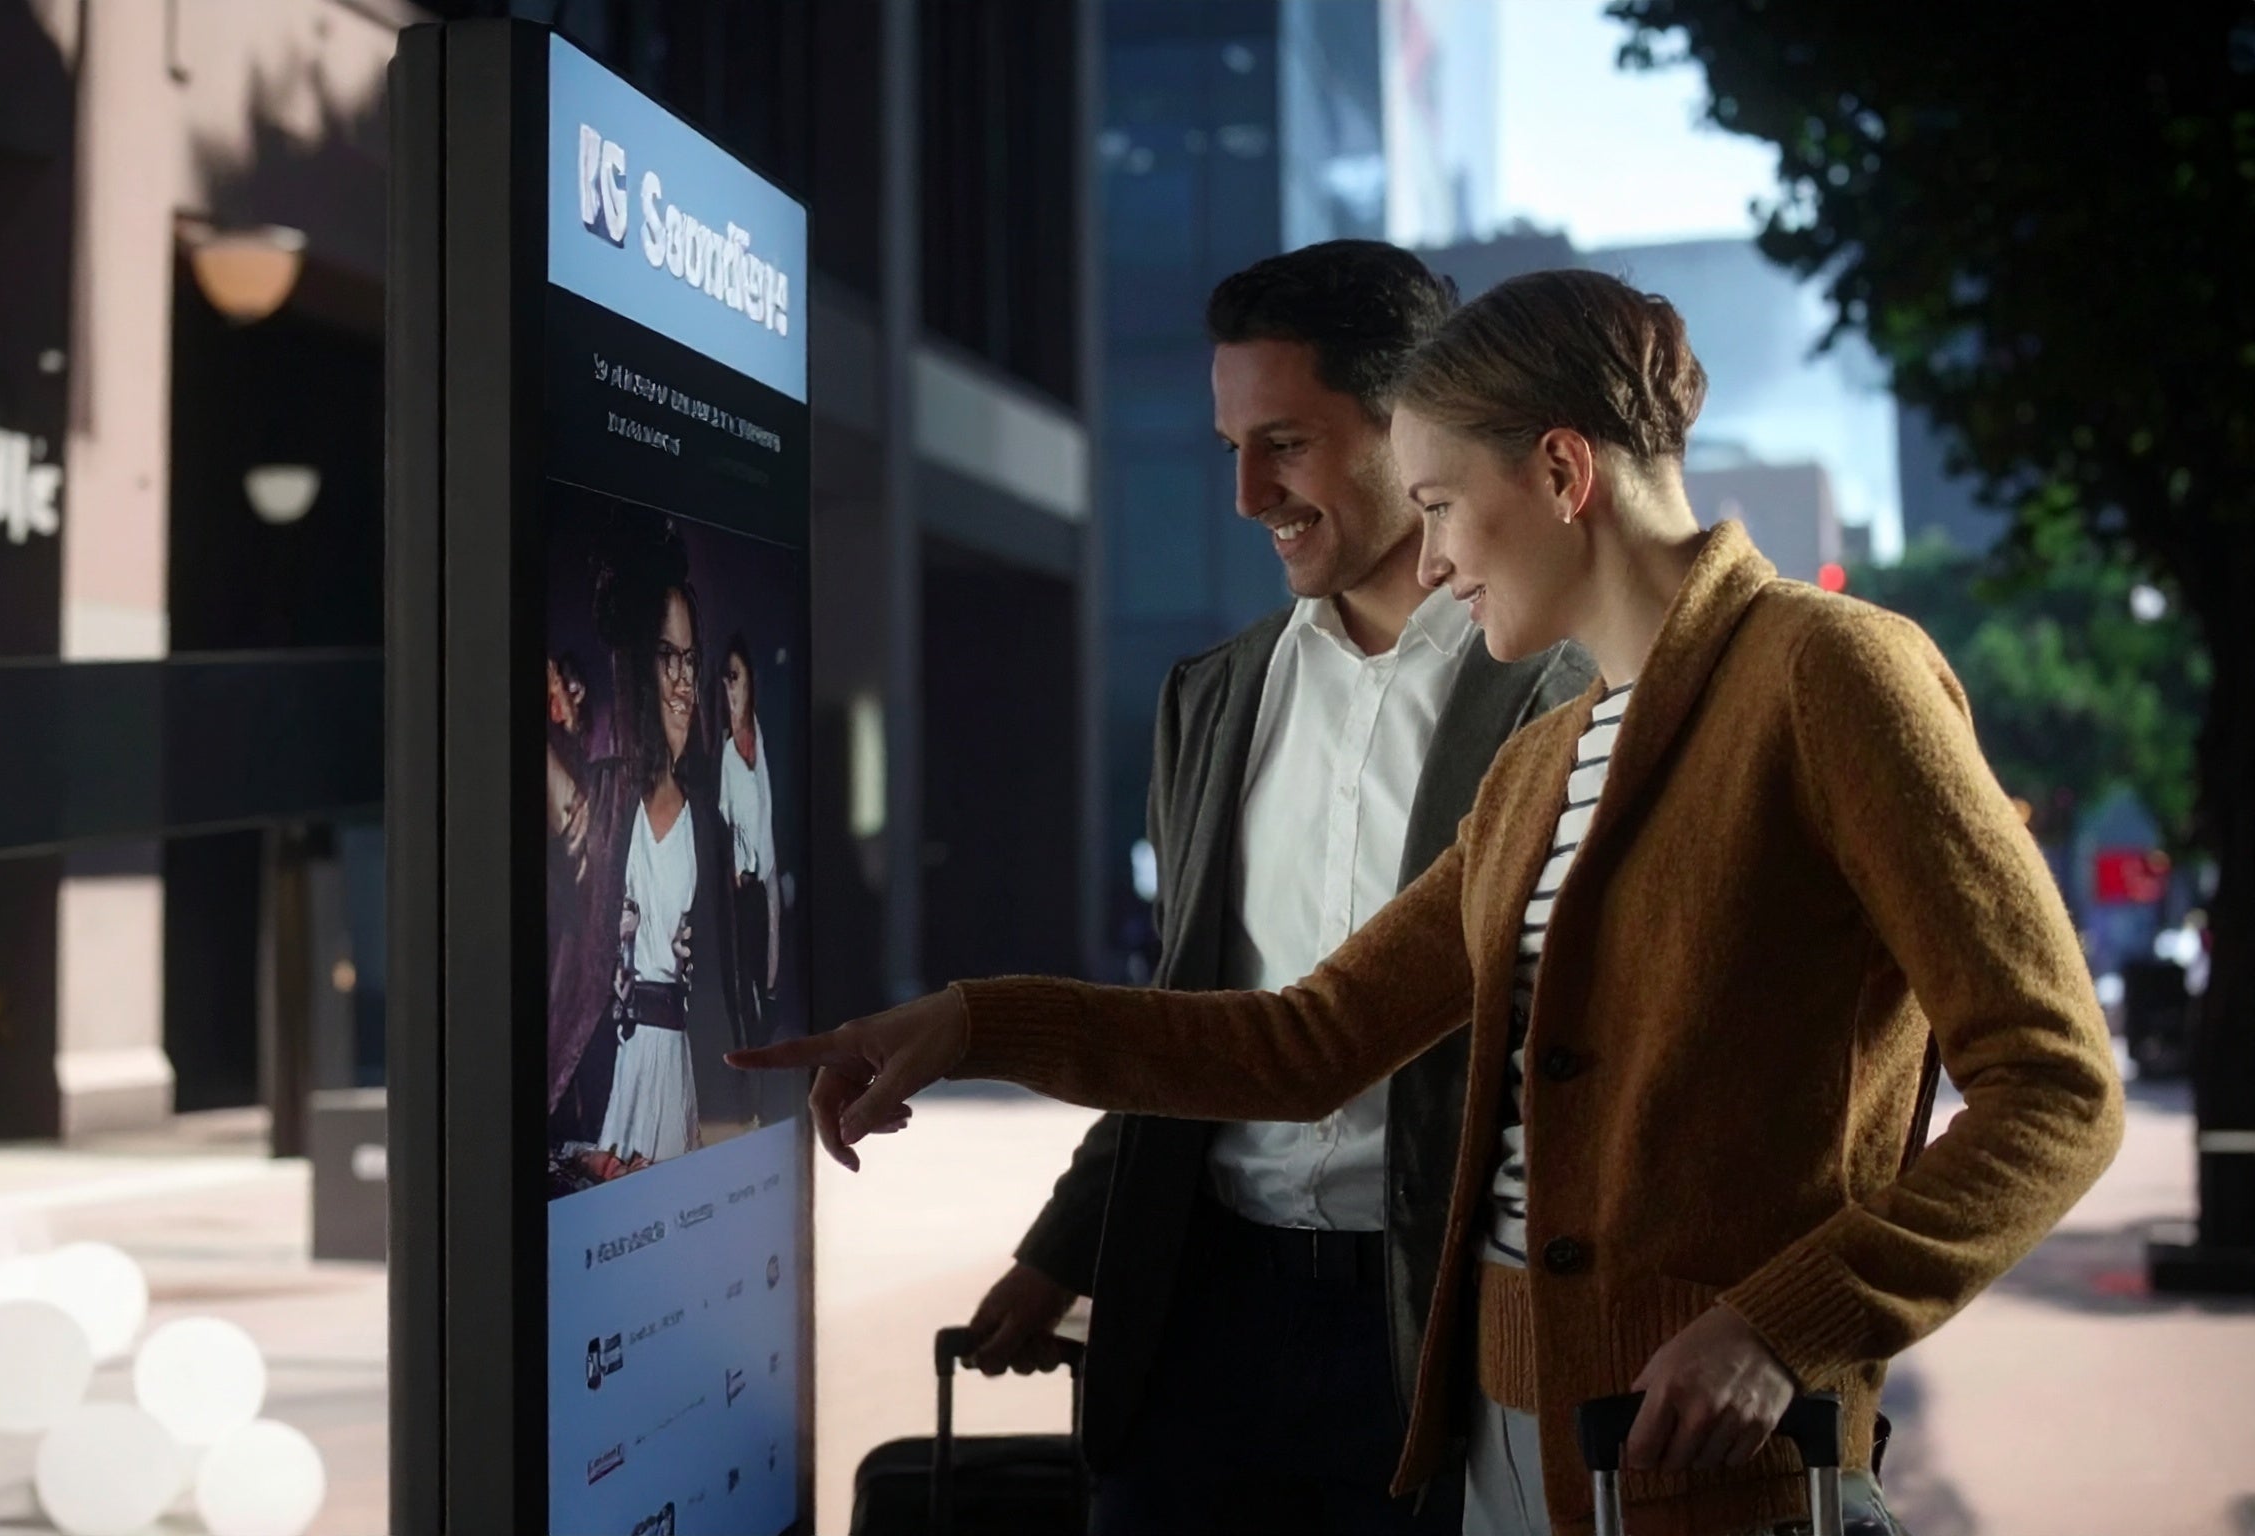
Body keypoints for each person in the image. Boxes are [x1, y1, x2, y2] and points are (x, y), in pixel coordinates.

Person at [738, 270, 2126, 1536]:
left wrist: (1780, 1328)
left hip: (1716, 1453)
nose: (1439, 560)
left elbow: (2058, 1087)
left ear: (1566, 471)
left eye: (1447, 506)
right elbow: (1301, 1043)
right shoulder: (1539, 768)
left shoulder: (1834, 674)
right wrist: (973, 1022)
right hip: (1487, 1442)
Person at [961, 241, 1591, 1536]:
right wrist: (1070, 1241)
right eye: (1233, 444)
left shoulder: (1561, 694)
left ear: (1413, 419)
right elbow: (1189, 1007)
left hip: (1443, 1319)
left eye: (1286, 444)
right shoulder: (1212, 699)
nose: (1248, 493)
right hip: (1204, 1312)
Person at [548, 518, 732, 1176]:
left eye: (691, 660)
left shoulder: (708, 822)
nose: (684, 684)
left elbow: (722, 978)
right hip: (608, 1076)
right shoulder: (601, 802)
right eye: (666, 658)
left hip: (676, 1064)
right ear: (632, 668)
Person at [714, 633, 782, 1056]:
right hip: (746, 885)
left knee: (769, 978)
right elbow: (726, 816)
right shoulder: (726, 754)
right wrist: (739, 868)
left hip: (769, 877)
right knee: (748, 982)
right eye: (724, 680)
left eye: (735, 678)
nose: (729, 689)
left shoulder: (762, 738)